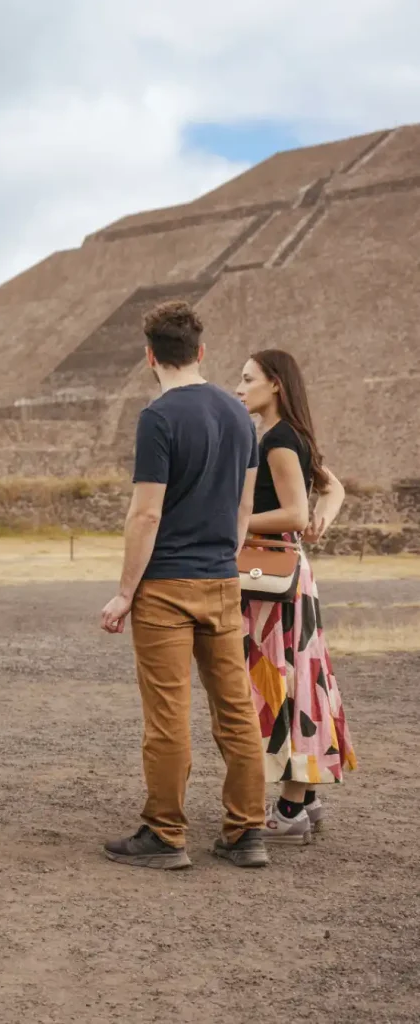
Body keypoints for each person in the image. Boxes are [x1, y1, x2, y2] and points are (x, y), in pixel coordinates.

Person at [100, 300, 269, 870]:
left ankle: (165, 833)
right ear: (200, 351)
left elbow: (146, 515)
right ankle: (247, 832)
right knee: (237, 711)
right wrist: (224, 553)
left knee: (168, 715)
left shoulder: (159, 417)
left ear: (151, 357)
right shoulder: (240, 416)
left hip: (166, 587)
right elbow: (244, 504)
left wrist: (125, 591)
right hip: (223, 580)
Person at [236, 349, 357, 844]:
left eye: (248, 379)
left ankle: (289, 808)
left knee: (280, 683)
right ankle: (302, 796)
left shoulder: (279, 442)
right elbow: (333, 489)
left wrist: (233, 525)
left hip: (272, 577)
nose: (239, 388)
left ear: (276, 384)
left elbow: (290, 513)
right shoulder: (292, 437)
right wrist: (322, 517)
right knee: (298, 678)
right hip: (287, 573)